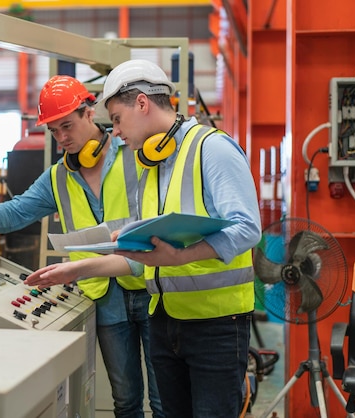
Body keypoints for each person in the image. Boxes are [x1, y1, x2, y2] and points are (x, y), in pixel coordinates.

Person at [24, 59, 262, 418]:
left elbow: (247, 228)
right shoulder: (152, 163)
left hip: (216, 326)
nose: (115, 131)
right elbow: (152, 246)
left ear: (141, 103)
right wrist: (101, 256)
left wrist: (180, 257)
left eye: (117, 119)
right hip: (164, 319)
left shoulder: (212, 149)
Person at [0, 75, 165, 418]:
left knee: (164, 399)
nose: (62, 138)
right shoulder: (58, 178)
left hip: (150, 286)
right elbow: (16, 211)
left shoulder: (134, 154)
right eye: (54, 131)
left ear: (89, 113)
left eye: (67, 126)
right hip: (103, 296)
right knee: (125, 399)